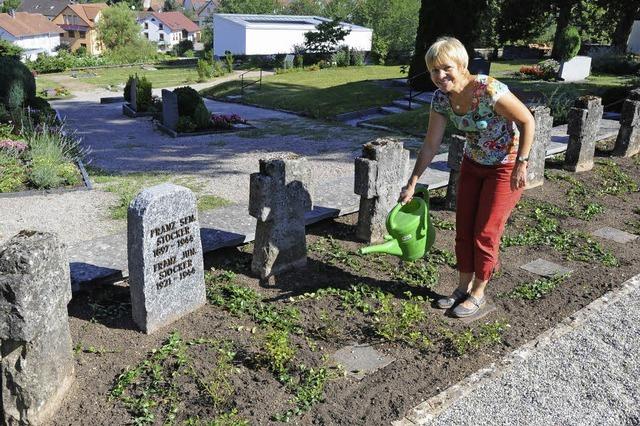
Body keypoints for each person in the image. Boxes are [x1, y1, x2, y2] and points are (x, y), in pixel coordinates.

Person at [399, 37, 535, 318]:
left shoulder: (488, 89)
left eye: (445, 68)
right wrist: (412, 181)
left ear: (461, 65)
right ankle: (462, 287)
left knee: (485, 232)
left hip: (505, 166)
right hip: (473, 163)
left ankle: (479, 292)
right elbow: (431, 144)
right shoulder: (441, 98)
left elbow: (526, 120)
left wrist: (522, 163)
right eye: (434, 70)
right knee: (464, 229)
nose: (439, 76)